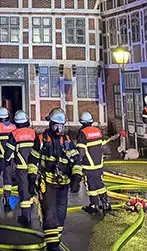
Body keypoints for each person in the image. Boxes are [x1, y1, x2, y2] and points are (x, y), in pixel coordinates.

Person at [28, 108, 82, 251]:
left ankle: (55, 240)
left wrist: (76, 177)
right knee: (50, 213)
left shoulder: (67, 141)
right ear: (50, 124)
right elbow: (33, 160)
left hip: (63, 183)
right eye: (56, 125)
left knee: (61, 214)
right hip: (47, 183)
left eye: (61, 125)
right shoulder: (41, 140)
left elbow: (76, 160)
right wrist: (32, 178)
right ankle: (52, 246)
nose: (59, 128)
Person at [76, 111, 119, 216]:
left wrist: (77, 162)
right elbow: (102, 145)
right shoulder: (98, 131)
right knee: (99, 183)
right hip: (99, 164)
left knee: (91, 186)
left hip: (88, 165)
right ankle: (106, 203)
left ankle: (94, 205)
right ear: (91, 121)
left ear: (81, 122)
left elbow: (81, 151)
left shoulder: (82, 133)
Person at [5, 110, 36, 227]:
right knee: (32, 189)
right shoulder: (33, 133)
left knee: (24, 192)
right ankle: (33, 215)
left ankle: (25, 217)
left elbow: (8, 154)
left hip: (21, 169)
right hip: (34, 168)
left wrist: (6, 162)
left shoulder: (14, 134)